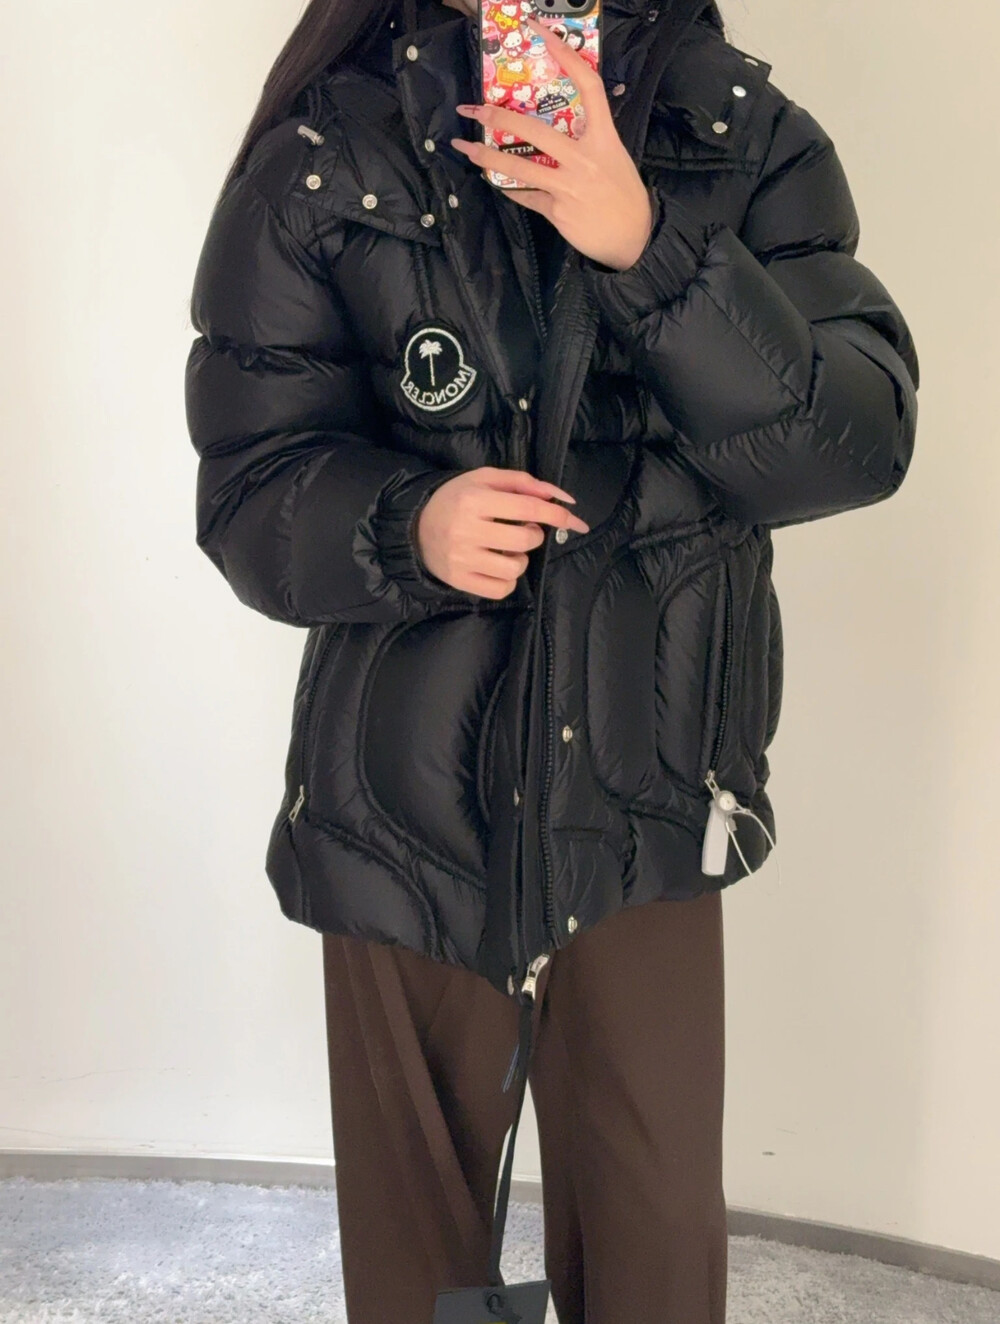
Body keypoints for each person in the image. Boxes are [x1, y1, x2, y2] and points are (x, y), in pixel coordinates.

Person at [183, 0, 919, 1320]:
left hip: (647, 797)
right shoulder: (328, 153)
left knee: (654, 1247)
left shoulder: (739, 135)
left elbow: (851, 447)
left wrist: (649, 247)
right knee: (417, 1271)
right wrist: (405, 526)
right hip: (400, 804)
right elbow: (249, 484)